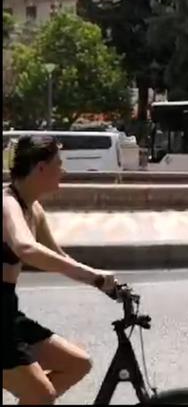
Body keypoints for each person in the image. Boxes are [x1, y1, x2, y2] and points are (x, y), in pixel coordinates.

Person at [3, 135, 119, 404]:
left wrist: (102, 281)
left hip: (8, 311)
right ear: (41, 167)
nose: (63, 170)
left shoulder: (34, 209)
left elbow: (58, 257)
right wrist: (94, 277)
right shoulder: (8, 203)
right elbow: (26, 248)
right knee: (43, 394)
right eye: (59, 163)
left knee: (78, 363)